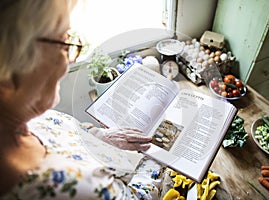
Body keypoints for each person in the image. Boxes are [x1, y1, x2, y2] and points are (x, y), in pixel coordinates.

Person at [0, 0, 163, 199]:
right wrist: (157, 158)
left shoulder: (22, 115)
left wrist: (97, 136)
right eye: (62, 42)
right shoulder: (73, 190)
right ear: (6, 67)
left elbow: (63, 134)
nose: (72, 58)